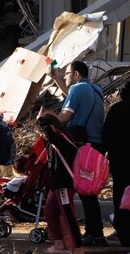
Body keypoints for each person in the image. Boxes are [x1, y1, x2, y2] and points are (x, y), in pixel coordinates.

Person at [48, 60, 106, 246]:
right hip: (96, 146)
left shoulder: (77, 90)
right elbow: (77, 101)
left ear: (76, 74)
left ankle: (91, 234)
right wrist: (58, 80)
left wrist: (47, 121)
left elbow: (65, 117)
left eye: (66, 73)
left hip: (82, 145)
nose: (64, 75)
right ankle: (96, 234)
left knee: (83, 190)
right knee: (89, 190)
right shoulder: (95, 90)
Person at [38, 112, 82, 253]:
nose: (43, 135)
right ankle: (59, 244)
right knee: (49, 211)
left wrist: (44, 125)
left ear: (50, 127)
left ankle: (78, 247)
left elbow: (51, 136)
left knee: (67, 214)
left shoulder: (60, 138)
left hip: (64, 184)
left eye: (44, 131)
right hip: (57, 184)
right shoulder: (60, 138)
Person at [102, 82, 130, 247]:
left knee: (120, 197)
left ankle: (123, 232)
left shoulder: (117, 110)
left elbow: (106, 135)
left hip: (119, 163)